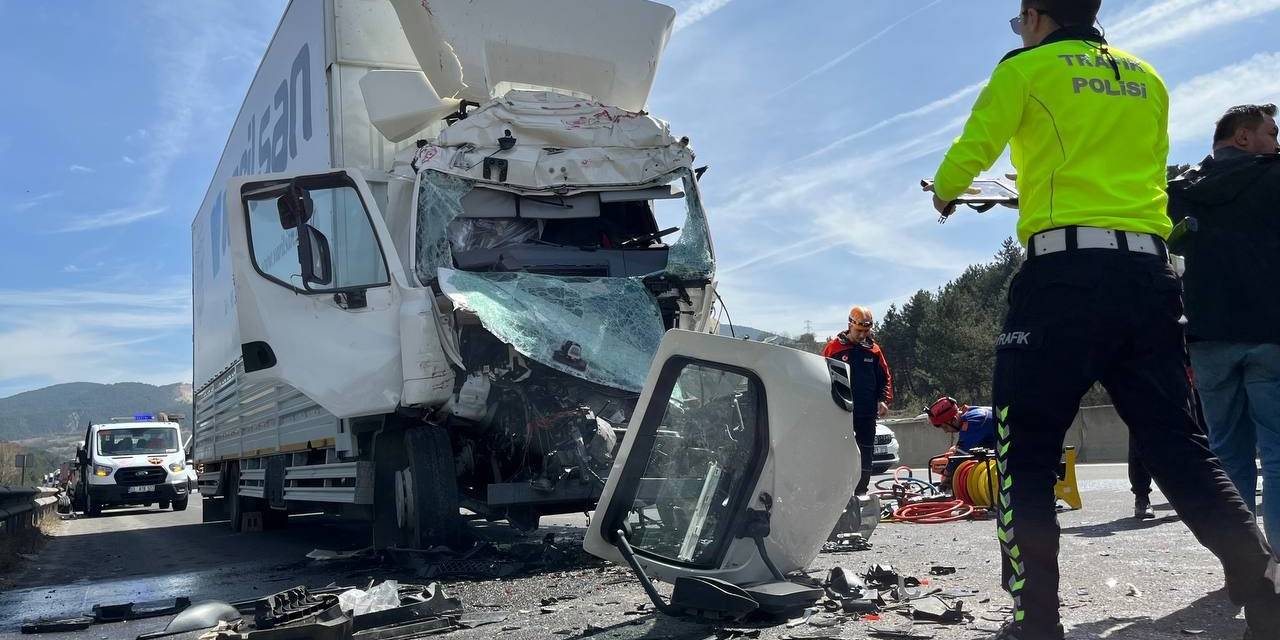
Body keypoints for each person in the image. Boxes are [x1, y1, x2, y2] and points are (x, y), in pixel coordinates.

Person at [927, 2, 1280, 638]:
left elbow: (968, 154)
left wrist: (947, 191)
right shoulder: (1148, 79)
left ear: (1035, 15)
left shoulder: (1025, 68)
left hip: (1061, 280)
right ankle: (1262, 586)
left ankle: (1035, 620)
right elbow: (1137, 176)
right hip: (1147, 278)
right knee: (1178, 442)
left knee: (1025, 448)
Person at [1167, 104, 1280, 551]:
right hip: (1270, 333)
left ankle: (1241, 560)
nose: (1276, 141)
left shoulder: (1183, 189)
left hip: (1207, 336)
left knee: (1227, 453)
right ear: (1243, 138)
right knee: (1276, 453)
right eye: (1271, 132)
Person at [823, 306, 893, 495]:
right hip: (840, 411)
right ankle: (837, 493)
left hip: (866, 411)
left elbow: (884, 378)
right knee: (840, 451)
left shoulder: (874, 350)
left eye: (866, 331)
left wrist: (883, 400)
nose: (863, 335)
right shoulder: (834, 348)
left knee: (866, 452)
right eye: (859, 331)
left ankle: (860, 491)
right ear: (850, 325)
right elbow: (822, 377)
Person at [926, 396, 997, 491]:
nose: (946, 432)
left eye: (945, 427)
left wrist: (946, 475)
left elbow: (961, 454)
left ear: (954, 419)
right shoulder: (969, 413)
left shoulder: (974, 420)